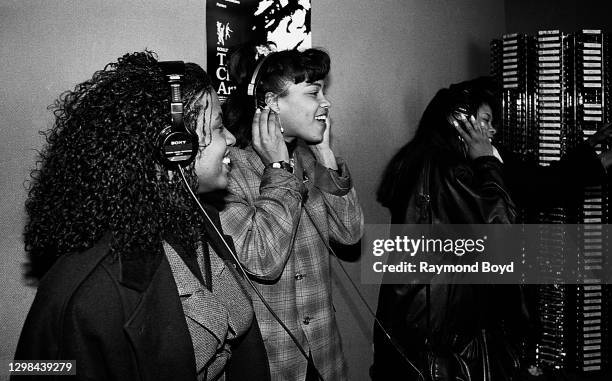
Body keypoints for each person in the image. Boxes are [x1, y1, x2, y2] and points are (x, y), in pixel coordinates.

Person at [13, 51, 270, 381]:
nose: (232, 139)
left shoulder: (199, 222)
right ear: (174, 147)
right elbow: (33, 368)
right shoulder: (86, 288)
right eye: (219, 127)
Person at [372, 77, 612, 381]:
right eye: (485, 120)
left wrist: (591, 151)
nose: (493, 130)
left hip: (427, 334)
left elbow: (540, 183)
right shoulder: (449, 168)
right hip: (437, 345)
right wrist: (486, 161)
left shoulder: (431, 159)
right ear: (460, 123)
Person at [220, 44, 364, 380]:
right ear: (271, 102)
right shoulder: (229, 171)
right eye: (314, 92)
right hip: (273, 362)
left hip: (324, 355)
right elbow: (263, 262)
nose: (326, 102)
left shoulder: (310, 160)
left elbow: (350, 233)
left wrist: (325, 152)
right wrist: (278, 170)